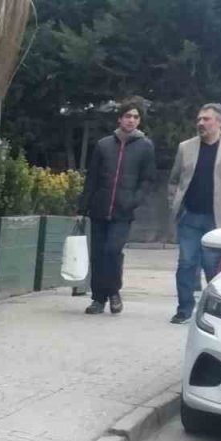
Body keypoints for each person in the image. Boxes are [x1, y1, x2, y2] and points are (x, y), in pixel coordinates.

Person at [166, 103, 221, 324]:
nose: (201, 123)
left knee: (212, 265)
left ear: (219, 122)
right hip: (191, 216)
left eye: (206, 119)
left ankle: (216, 310)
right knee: (186, 263)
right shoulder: (186, 147)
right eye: (199, 119)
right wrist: (174, 202)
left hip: (220, 220)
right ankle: (184, 308)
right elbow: (174, 180)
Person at [77, 98, 157, 315]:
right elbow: (91, 179)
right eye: (128, 116)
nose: (131, 120)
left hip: (123, 211)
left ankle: (113, 292)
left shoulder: (145, 146)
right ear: (120, 118)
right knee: (98, 254)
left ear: (139, 121)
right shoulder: (104, 145)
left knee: (113, 251)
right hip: (100, 209)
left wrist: (134, 200)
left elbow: (148, 180)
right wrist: (82, 209)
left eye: (135, 117)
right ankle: (98, 299)